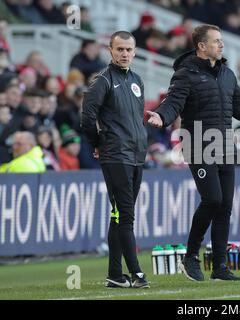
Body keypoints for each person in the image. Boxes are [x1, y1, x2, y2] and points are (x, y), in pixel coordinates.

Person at [147, 24, 240, 281]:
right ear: (201, 46)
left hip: (225, 147)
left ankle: (220, 266)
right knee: (212, 199)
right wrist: (161, 115)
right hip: (197, 145)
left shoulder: (227, 74)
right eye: (216, 41)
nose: (222, 45)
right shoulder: (185, 74)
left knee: (225, 205)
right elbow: (173, 103)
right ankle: (190, 256)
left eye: (221, 40)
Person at [81, 31, 149, 289]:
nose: (124, 54)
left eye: (128, 49)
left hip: (136, 154)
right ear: (109, 50)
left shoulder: (137, 80)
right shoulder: (102, 80)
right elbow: (87, 117)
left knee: (118, 215)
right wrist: (98, 143)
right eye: (119, 49)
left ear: (135, 51)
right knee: (126, 215)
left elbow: (134, 117)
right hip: (115, 154)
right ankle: (136, 273)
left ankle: (115, 274)